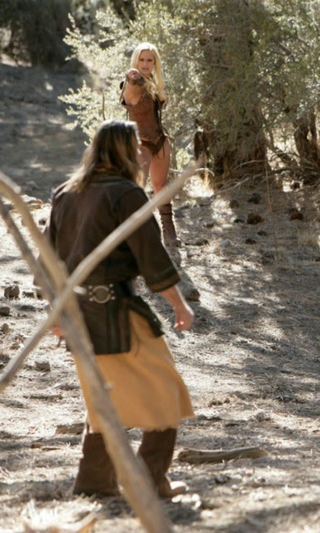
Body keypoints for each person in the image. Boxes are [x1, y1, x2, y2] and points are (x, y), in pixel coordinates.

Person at [44, 119, 194, 498]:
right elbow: (150, 255)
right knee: (166, 392)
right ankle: (147, 480)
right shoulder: (126, 194)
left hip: (77, 315)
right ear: (123, 151)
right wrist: (179, 305)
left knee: (103, 399)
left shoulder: (65, 193)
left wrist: (57, 315)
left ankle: (94, 481)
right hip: (116, 313)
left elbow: (49, 264)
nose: (143, 156)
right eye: (136, 147)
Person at [119, 42, 178, 247]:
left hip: (160, 140)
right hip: (139, 142)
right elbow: (129, 90)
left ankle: (168, 232)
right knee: (136, 189)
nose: (145, 64)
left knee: (161, 186)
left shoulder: (154, 82)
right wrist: (130, 78)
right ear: (136, 60)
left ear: (154, 63)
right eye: (141, 59)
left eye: (149, 60)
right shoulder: (132, 81)